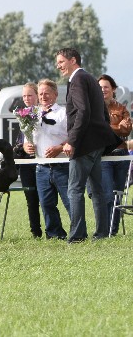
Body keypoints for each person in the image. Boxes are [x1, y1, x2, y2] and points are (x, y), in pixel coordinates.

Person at [56, 48, 122, 242]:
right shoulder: (91, 78)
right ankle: (101, 233)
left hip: (84, 144)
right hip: (98, 143)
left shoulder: (77, 80)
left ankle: (77, 236)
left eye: (61, 61)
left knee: (75, 189)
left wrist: (72, 141)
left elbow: (82, 112)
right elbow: (102, 111)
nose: (58, 66)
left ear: (73, 60)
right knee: (97, 190)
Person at [28, 78, 70, 240]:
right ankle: (54, 234)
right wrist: (27, 147)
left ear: (55, 94)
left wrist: (59, 147)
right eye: (40, 94)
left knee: (69, 202)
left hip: (62, 165)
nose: (43, 96)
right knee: (46, 204)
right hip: (42, 167)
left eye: (47, 93)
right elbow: (27, 139)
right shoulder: (32, 114)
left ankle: (77, 232)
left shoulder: (64, 113)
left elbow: (74, 137)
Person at [96, 74, 132, 236]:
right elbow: (99, 129)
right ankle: (105, 229)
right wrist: (116, 127)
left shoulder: (121, 108)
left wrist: (107, 127)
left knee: (118, 196)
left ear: (113, 89)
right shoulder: (94, 108)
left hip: (121, 156)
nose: (103, 90)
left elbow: (127, 129)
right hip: (104, 157)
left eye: (106, 87)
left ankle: (113, 230)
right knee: (107, 195)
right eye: (100, 87)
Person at [13, 83, 43, 238]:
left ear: (37, 95)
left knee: (45, 198)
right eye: (24, 96)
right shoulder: (22, 114)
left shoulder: (42, 113)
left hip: (42, 161)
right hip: (26, 162)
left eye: (30, 95)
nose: (26, 98)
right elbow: (20, 140)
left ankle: (53, 229)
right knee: (31, 199)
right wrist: (23, 146)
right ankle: (35, 232)